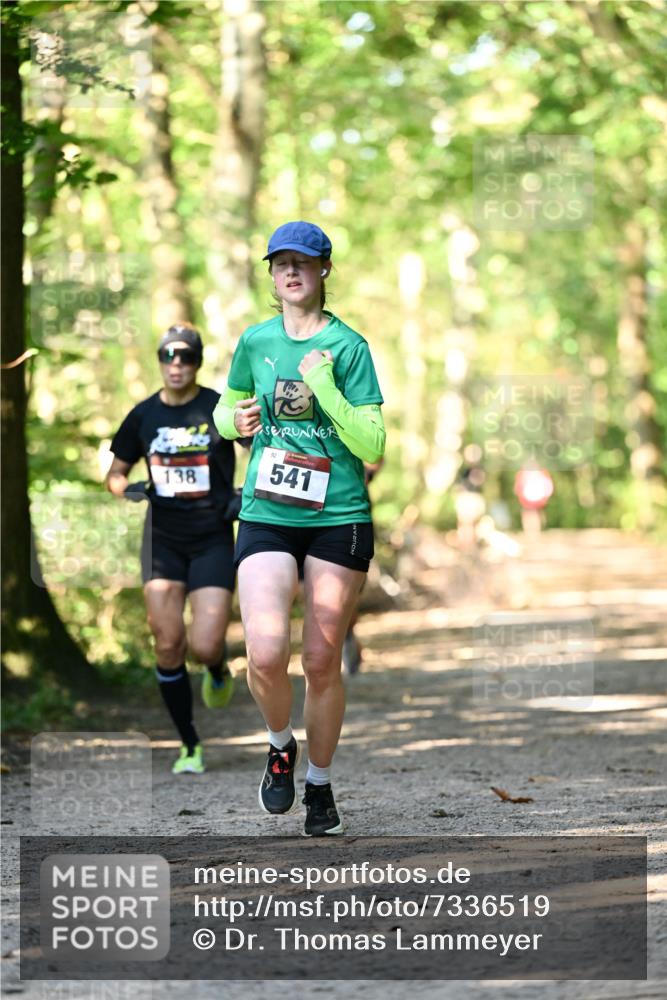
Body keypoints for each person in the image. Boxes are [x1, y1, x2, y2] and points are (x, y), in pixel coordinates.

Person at [213, 221, 385, 836]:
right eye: (280, 263)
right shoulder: (255, 341)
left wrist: (324, 387)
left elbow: (369, 442)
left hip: (338, 516)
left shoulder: (350, 346)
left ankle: (319, 784)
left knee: (320, 658)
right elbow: (225, 413)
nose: (291, 272)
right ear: (272, 274)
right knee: (263, 649)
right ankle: (280, 744)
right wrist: (235, 419)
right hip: (267, 511)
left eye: (303, 263)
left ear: (324, 271)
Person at [105, 323, 240, 775]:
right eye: (168, 356)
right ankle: (189, 745)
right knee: (167, 643)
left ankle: (218, 668)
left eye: (185, 357)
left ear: (197, 361)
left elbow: (261, 448)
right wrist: (130, 490)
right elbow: (115, 473)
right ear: (159, 361)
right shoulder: (143, 415)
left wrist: (245, 493)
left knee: (203, 645)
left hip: (213, 537)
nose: (176, 364)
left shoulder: (218, 406)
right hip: (162, 540)